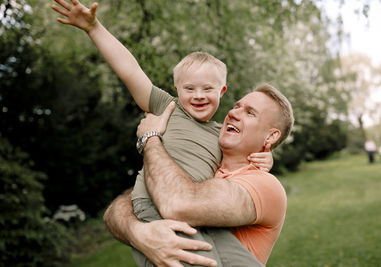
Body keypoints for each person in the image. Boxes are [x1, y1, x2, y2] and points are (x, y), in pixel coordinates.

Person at [52, 0, 272, 265]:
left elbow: (239, 166)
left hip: (201, 213)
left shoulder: (221, 134)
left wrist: (263, 158)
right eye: (189, 89)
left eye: (207, 89)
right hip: (156, 210)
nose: (198, 96)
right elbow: (129, 70)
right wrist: (94, 28)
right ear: (177, 90)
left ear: (221, 91)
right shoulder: (166, 106)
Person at [104, 83, 294, 266]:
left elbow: (178, 204)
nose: (233, 113)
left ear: (270, 137)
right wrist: (138, 232)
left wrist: (150, 138)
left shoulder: (265, 185)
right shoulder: (204, 171)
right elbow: (116, 209)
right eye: (236, 106)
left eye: (250, 113)